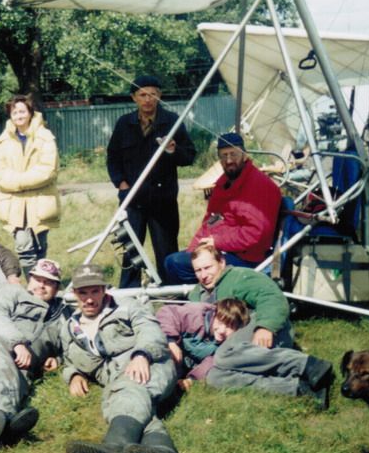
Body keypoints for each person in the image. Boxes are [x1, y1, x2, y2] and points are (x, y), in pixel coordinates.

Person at [62, 264, 180, 453]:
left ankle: (115, 445)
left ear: (104, 290)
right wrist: (73, 375)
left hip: (152, 364)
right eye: (83, 293)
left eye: (95, 291)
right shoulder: (69, 328)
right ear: (74, 294)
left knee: (128, 389)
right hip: (117, 382)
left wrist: (142, 354)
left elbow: (151, 330)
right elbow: (68, 358)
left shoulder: (127, 306)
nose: (89, 299)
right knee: (127, 401)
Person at [188, 243, 334, 408]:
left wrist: (265, 326)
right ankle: (298, 388)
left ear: (221, 262)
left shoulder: (239, 277)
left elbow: (271, 295)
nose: (203, 275)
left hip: (265, 332)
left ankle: (309, 366)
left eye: (208, 267)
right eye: (198, 270)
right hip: (234, 350)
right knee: (214, 377)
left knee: (224, 354)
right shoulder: (196, 295)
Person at [0, 258, 70, 451]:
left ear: (57, 287)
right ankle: (6, 419)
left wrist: (58, 358)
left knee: (5, 384)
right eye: (38, 279)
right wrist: (16, 342)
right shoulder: (11, 292)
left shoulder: (62, 313)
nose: (41, 285)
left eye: (49, 282)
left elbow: (72, 341)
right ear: (29, 279)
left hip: (22, 367)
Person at [106, 75, 196, 288]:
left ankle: (170, 292)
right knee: (131, 249)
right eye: (142, 95)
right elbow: (112, 158)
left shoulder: (171, 121)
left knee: (166, 250)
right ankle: (129, 292)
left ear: (160, 96)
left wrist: (173, 150)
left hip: (163, 201)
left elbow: (189, 156)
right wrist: (121, 184)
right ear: (134, 97)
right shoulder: (124, 123)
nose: (148, 99)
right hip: (133, 199)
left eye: (152, 94)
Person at [164, 132, 282, 283]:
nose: (229, 160)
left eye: (233, 154)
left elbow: (256, 234)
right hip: (223, 250)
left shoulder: (261, 186)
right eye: (224, 156)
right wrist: (195, 249)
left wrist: (217, 241)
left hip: (247, 259)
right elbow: (211, 220)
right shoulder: (224, 183)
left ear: (244, 155)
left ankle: (205, 294)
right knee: (173, 261)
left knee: (176, 264)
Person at [0, 94, 60, 278]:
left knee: (40, 248)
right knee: (24, 248)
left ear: (30, 112)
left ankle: (44, 283)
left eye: (22, 111)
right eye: (14, 112)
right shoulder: (3, 141)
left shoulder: (45, 137)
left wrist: (18, 181)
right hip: (14, 204)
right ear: (10, 115)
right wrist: (24, 182)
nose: (19, 115)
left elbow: (48, 170)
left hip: (40, 202)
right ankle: (32, 285)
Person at [156, 297, 249, 391]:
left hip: (183, 367)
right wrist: (170, 341)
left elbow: (210, 363)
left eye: (230, 327)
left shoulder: (227, 345)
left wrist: (192, 379)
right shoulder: (194, 314)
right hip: (167, 351)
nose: (222, 331)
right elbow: (166, 313)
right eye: (220, 322)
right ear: (215, 315)